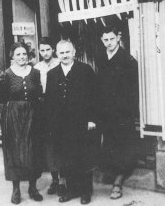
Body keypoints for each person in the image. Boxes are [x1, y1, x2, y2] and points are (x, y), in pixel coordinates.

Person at [44, 40, 98, 204]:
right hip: (62, 125)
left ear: (74, 52)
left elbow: (94, 97)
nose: (65, 55)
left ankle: (85, 191)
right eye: (61, 53)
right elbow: (49, 101)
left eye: (68, 52)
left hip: (81, 122)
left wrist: (92, 119)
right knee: (66, 159)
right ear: (57, 54)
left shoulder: (85, 70)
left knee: (83, 156)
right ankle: (72, 190)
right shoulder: (52, 73)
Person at [0, 42, 43, 205]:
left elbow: (39, 93)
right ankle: (16, 189)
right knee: (15, 151)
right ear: (12, 57)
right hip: (13, 116)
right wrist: (10, 111)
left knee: (33, 149)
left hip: (33, 115)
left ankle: (33, 187)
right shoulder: (6, 75)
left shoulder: (35, 73)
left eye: (24, 54)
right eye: (18, 54)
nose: (22, 57)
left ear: (28, 56)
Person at [96, 25, 139, 200]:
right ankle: (113, 174)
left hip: (122, 113)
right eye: (105, 40)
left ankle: (118, 182)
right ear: (101, 40)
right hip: (106, 112)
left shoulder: (128, 60)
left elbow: (133, 91)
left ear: (118, 38)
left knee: (122, 146)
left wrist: (127, 111)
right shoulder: (101, 58)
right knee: (110, 145)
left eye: (111, 39)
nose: (109, 43)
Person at [34, 37, 64, 196]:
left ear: (53, 49)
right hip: (44, 106)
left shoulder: (60, 63)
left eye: (48, 49)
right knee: (49, 144)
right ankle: (55, 180)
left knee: (61, 142)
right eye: (42, 50)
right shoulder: (37, 67)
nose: (45, 53)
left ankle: (64, 179)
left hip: (59, 105)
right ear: (39, 51)